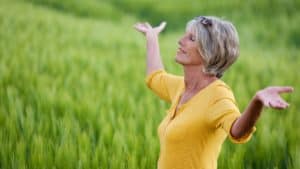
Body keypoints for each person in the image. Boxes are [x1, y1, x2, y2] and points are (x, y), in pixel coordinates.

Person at [134, 16, 294, 169]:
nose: (180, 41)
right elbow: (155, 77)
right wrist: (152, 37)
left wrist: (257, 102)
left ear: (208, 52)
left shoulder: (218, 95)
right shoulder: (182, 87)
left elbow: (237, 131)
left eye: (191, 39)